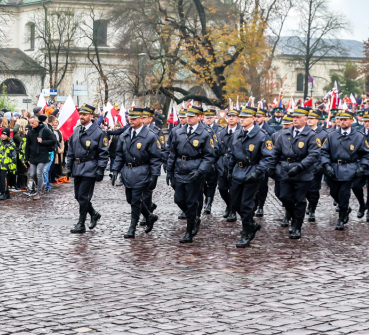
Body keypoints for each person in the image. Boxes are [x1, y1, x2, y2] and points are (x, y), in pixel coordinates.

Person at [110, 108, 164, 239]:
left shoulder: (150, 136)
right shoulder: (125, 134)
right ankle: (149, 216)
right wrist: (115, 170)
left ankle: (132, 228)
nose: (131, 120)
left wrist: (154, 176)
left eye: (134, 118)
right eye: (130, 118)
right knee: (130, 199)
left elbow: (156, 158)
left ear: (141, 118)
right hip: (127, 172)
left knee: (135, 201)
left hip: (142, 171)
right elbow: (119, 155)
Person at [165, 106, 216, 243]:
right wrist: (169, 170)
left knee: (191, 201)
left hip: (195, 170)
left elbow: (209, 156)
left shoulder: (205, 133)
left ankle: (189, 231)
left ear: (200, 117)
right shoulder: (178, 132)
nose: (189, 118)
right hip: (180, 169)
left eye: (192, 116)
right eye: (188, 115)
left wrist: (200, 171)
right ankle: (193, 218)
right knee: (178, 199)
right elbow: (172, 153)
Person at [228, 106, 276, 247]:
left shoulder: (262, 135)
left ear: (253, 118)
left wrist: (257, 171)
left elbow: (268, 157)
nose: (242, 120)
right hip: (238, 171)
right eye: (241, 117)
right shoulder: (237, 134)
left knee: (246, 205)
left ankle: (246, 232)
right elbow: (232, 153)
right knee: (235, 203)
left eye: (245, 117)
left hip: (253, 172)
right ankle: (252, 223)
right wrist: (229, 169)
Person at [271, 107, 321, 239]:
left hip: (302, 173)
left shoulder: (311, 135)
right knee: (283, 196)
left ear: (306, 119)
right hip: (285, 170)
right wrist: (271, 166)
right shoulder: (285, 134)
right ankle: (294, 217)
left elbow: (314, 155)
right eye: (294, 117)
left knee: (299, 200)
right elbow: (276, 151)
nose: (295, 119)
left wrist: (300, 167)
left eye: (298, 117)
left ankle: (297, 226)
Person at [320, 109, 369, 230]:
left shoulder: (359, 137)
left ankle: (341, 218)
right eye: (341, 119)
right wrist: (326, 165)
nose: (342, 122)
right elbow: (324, 152)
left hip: (349, 168)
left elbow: (367, 154)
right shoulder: (331, 135)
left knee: (344, 194)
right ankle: (346, 209)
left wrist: (363, 166)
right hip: (333, 168)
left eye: (345, 120)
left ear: (351, 121)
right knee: (334, 193)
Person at [65, 104, 109, 233]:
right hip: (77, 167)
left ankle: (81, 223)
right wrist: (69, 167)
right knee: (78, 196)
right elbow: (71, 150)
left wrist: (101, 169)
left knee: (83, 196)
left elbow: (103, 152)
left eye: (85, 115)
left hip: (90, 167)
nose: (82, 117)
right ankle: (94, 214)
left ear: (91, 116)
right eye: (81, 114)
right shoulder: (77, 130)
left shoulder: (99, 132)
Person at [24, 115, 55, 199]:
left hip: (43, 155)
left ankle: (38, 192)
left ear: (38, 121)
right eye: (30, 123)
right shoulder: (30, 132)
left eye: (33, 123)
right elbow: (27, 146)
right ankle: (41, 184)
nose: (31, 125)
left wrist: (43, 141)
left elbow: (53, 140)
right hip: (33, 156)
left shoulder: (45, 130)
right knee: (32, 174)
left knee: (39, 172)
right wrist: (26, 159)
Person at [305, 109, 327, 222]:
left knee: (313, 190)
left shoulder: (323, 134)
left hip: (316, 167)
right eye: (308, 118)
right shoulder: (303, 132)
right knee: (304, 190)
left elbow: (324, 152)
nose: (309, 120)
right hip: (304, 167)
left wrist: (321, 164)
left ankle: (312, 209)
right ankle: (309, 204)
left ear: (317, 120)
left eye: (312, 118)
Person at [0, 126, 17, 200]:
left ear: (8, 135)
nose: (3, 136)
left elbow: (14, 155)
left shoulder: (11, 143)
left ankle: (4, 193)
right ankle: (6, 193)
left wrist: (13, 167)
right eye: (2, 134)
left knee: (4, 179)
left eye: (5, 135)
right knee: (2, 179)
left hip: (7, 165)